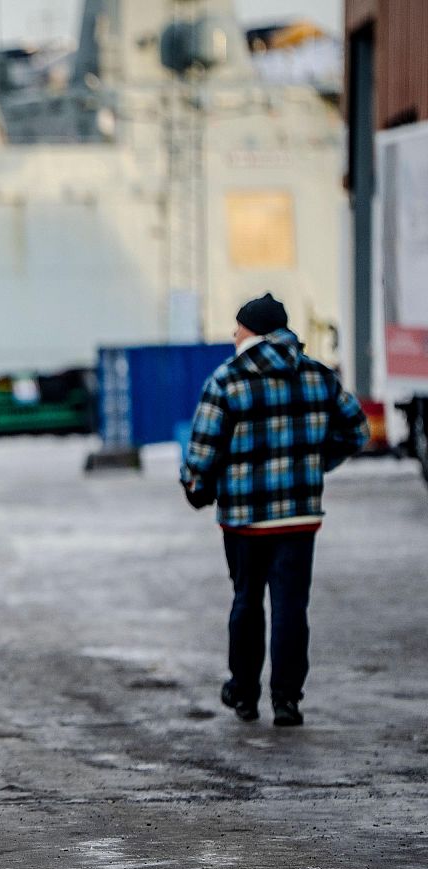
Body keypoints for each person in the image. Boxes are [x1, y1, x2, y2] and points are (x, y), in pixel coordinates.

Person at [181, 294, 369, 727]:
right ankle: (287, 700)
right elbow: (356, 430)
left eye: (239, 327)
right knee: (291, 606)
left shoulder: (227, 380)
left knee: (247, 600)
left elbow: (203, 449)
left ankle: (243, 693)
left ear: (255, 331)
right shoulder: (318, 375)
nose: (233, 334)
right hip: (300, 516)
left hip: (245, 519)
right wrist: (317, 462)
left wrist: (197, 486)